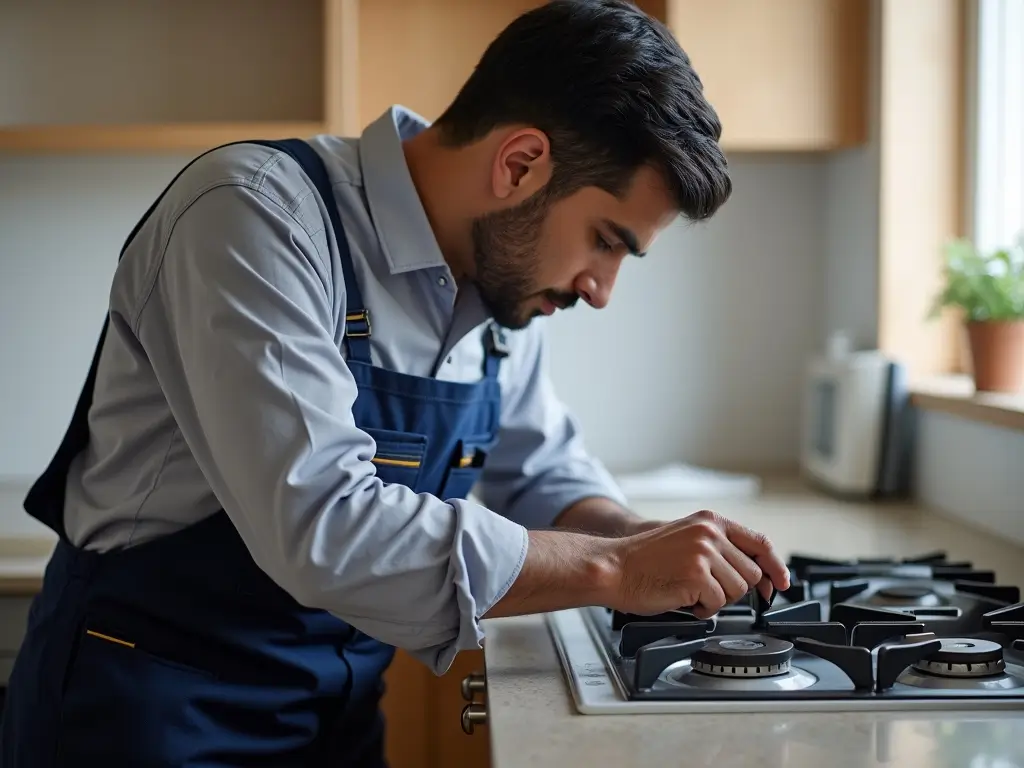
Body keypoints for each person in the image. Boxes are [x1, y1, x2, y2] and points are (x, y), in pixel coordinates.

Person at [1, 1, 790, 765]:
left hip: (333, 714)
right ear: (520, 164)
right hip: (150, 706)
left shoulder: (501, 285)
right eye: (605, 241)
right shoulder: (254, 215)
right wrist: (614, 570)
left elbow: (540, 470)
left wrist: (639, 539)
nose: (600, 289)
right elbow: (326, 526)